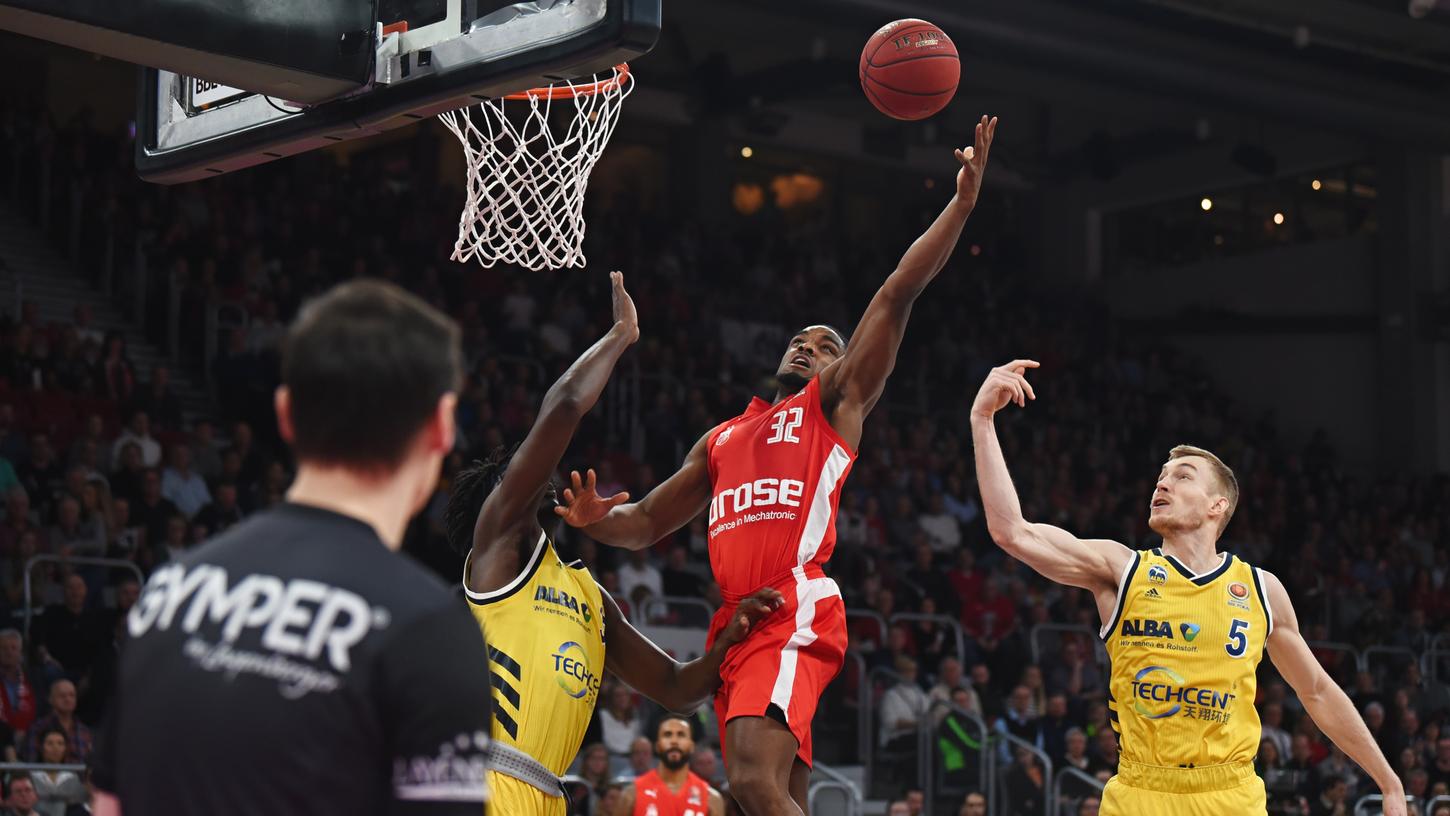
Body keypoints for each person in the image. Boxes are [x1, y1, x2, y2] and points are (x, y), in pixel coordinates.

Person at [557, 118, 998, 815]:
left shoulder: (835, 403)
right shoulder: (724, 437)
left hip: (793, 604)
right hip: (735, 619)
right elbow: (642, 524)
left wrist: (961, 206)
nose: (806, 347)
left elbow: (894, 293)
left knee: (755, 784)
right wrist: (595, 521)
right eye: (800, 340)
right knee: (757, 798)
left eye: (823, 345)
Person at [91, 280, 496, 815]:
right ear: (442, 426)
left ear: (285, 413)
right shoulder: (427, 628)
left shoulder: (167, 590)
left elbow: (107, 805)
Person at [968, 359, 1407, 815]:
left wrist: (1388, 781)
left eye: (1182, 476)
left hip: (1230, 795)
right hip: (1141, 791)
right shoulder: (1121, 569)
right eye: (1160, 477)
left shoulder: (1261, 589)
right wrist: (982, 422)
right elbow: (1012, 532)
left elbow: (1315, 690)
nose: (1162, 483)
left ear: (1218, 505)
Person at [444, 273, 781, 816]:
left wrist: (726, 646)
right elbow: (563, 407)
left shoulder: (588, 595)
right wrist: (622, 334)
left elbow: (675, 688)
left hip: (546, 794)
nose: (532, 470)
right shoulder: (498, 551)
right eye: (516, 474)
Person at [614, 716, 725, 816]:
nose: (674, 741)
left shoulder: (711, 799)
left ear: (691, 746)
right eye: (667, 735)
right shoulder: (631, 795)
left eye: (681, 735)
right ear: (657, 746)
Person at [24, 680, 91, 763]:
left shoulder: (85, 731)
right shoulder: (38, 728)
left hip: (79, 775)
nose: (68, 699)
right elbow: (31, 762)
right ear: (50, 699)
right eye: (62, 696)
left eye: (72, 695)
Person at [29, 728, 85, 816]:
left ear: (65, 748)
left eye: (60, 743)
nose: (55, 748)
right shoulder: (30, 776)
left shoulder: (73, 777)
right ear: (41, 747)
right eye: (50, 743)